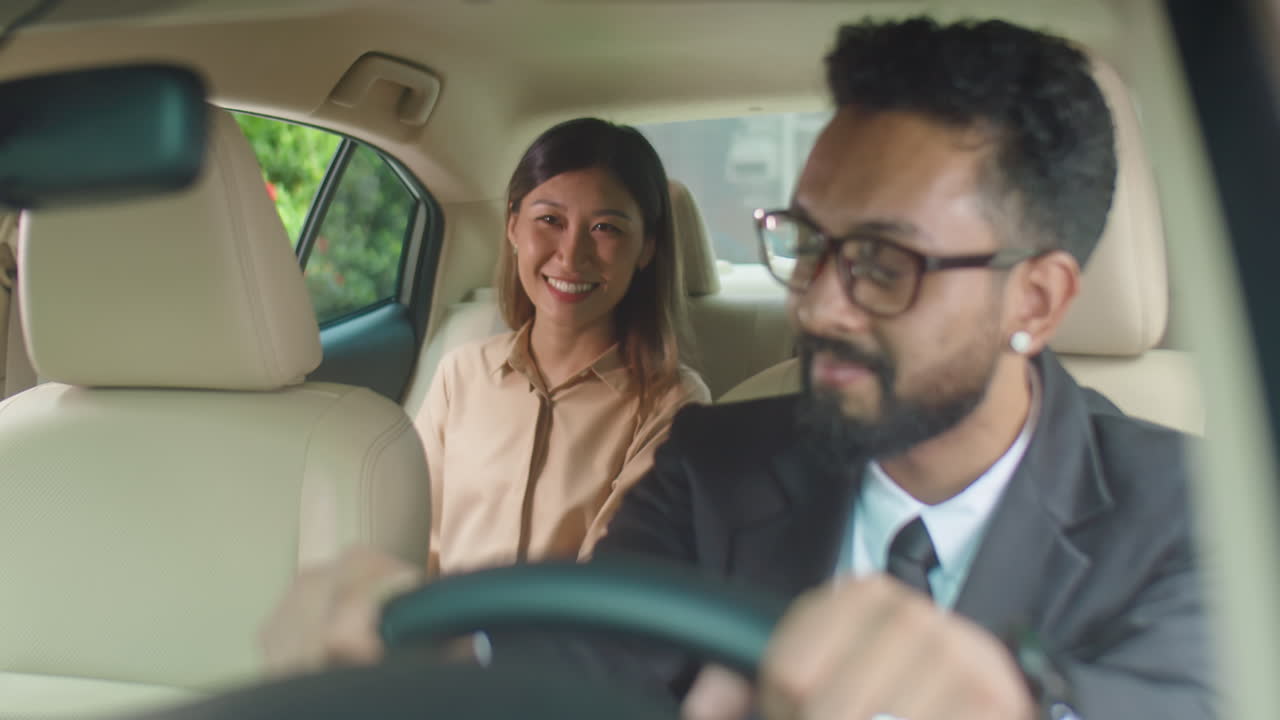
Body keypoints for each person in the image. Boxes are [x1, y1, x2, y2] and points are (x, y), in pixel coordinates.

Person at [262, 17, 1213, 720]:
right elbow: (585, 656)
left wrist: (1014, 702)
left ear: (1036, 300)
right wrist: (436, 653)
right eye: (805, 241)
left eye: (882, 262)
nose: (818, 305)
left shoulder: (1202, 511)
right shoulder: (713, 463)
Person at [417, 117, 710, 577]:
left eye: (606, 229)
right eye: (550, 220)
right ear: (513, 225)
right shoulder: (461, 375)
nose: (572, 256)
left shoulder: (673, 405)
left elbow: (615, 581)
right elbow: (412, 543)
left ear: (647, 248)